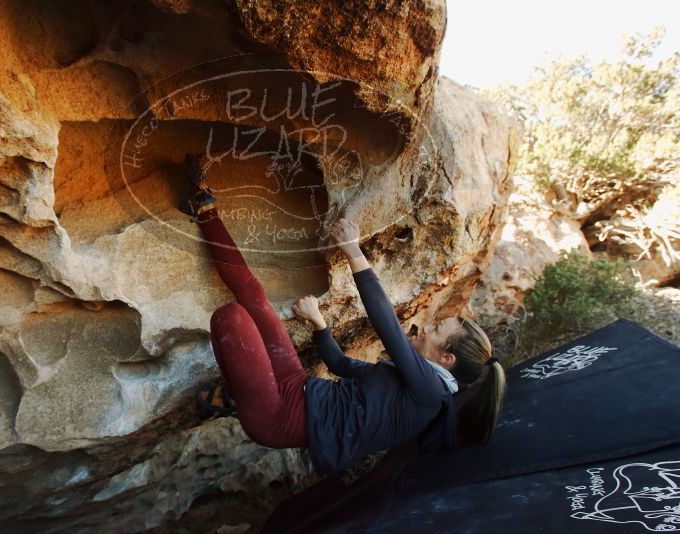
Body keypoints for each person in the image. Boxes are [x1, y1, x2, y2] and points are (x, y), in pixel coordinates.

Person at [181, 153, 507, 476]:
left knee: (232, 318)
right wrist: (320, 324)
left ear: (447, 358)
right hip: (299, 387)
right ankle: (205, 207)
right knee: (254, 297)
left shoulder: (430, 393)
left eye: (436, 330)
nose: (424, 329)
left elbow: (387, 326)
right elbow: (340, 366)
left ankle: (241, 395)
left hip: (279, 417)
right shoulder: (411, 383)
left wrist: (353, 251)